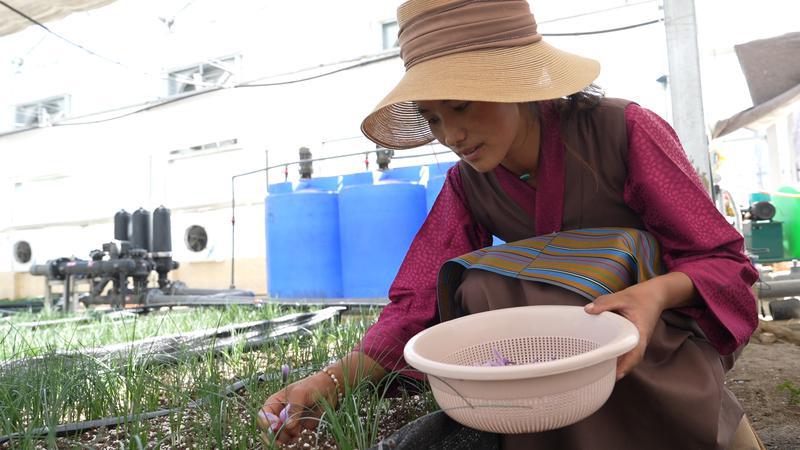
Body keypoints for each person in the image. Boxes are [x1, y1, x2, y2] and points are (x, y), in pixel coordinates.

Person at [259, 0, 765, 448]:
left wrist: (653, 295)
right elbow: (416, 302)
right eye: (433, 118)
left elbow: (721, 261)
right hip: (549, 374)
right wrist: (326, 383)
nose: (451, 134)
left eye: (461, 105)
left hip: (652, 341)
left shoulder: (623, 132)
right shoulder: (467, 184)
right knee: (477, 286)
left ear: (515, 85)